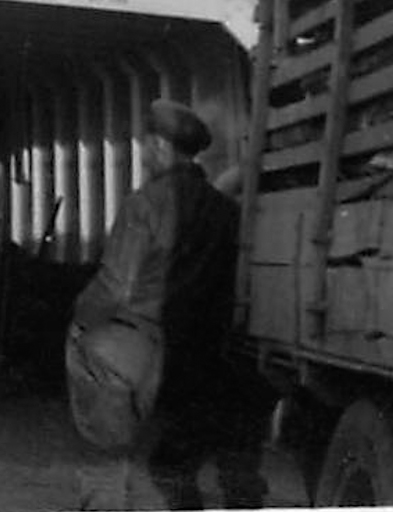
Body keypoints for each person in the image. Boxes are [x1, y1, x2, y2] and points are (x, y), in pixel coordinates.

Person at [69, 98, 267, 510]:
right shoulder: (224, 212)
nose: (142, 156)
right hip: (196, 363)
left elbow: (114, 287)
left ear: (159, 147)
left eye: (145, 146)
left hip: (135, 360)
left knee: (109, 464)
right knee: (174, 471)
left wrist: (79, 317)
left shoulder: (143, 204)